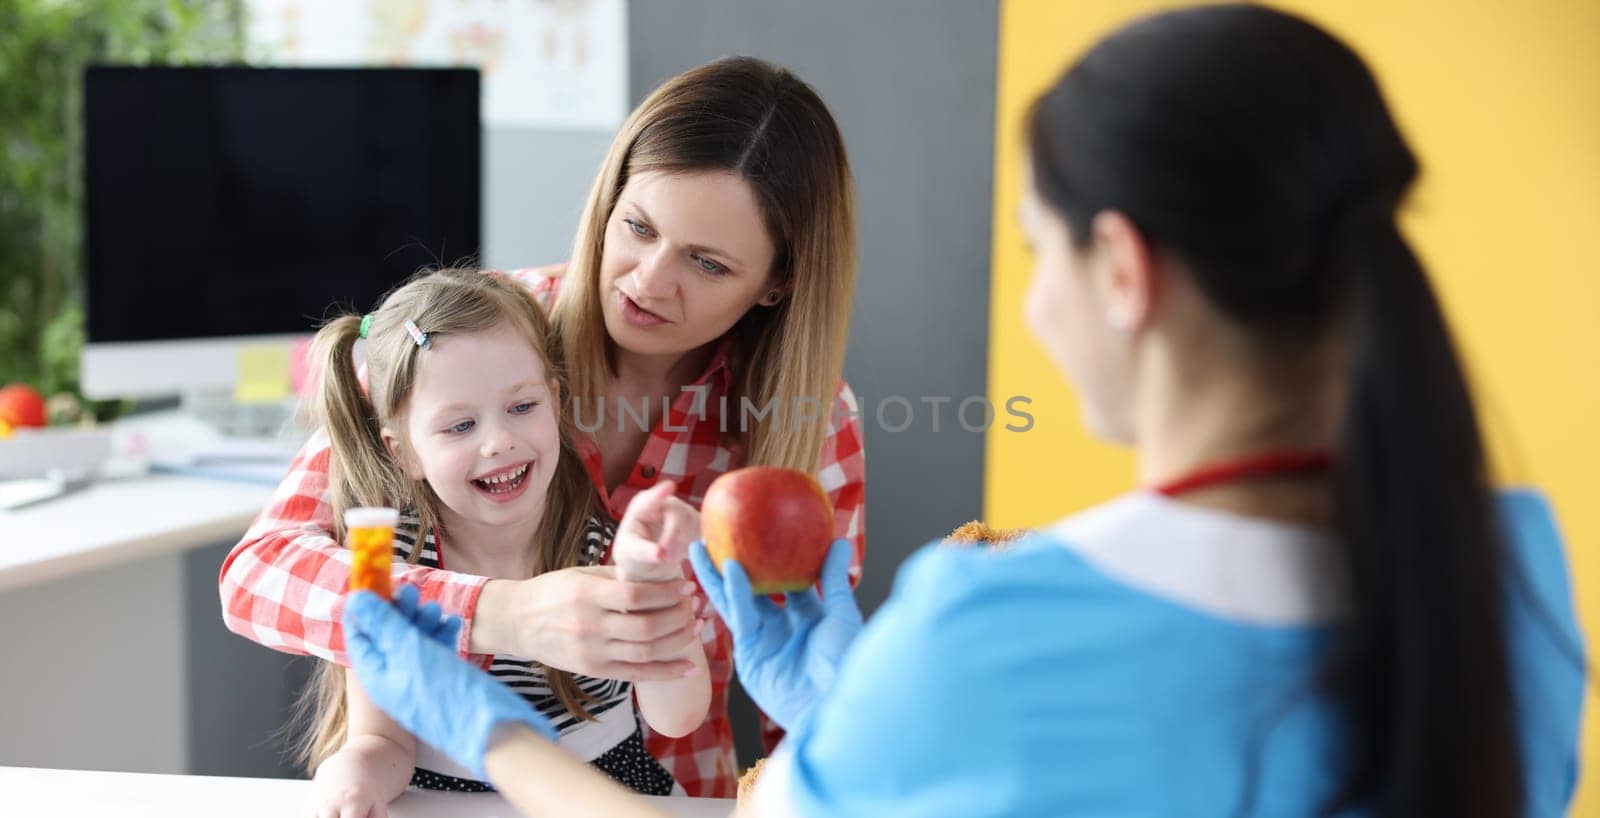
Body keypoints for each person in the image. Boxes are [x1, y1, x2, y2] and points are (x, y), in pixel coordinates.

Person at [330, 6, 1587, 817]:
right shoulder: (1508, 571)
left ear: (1124, 270)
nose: (1037, 306)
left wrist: (486, 726)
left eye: (1037, 252)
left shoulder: (996, 623)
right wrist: (838, 701)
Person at [219, 57, 868, 796]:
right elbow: (258, 575)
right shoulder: (461, 339)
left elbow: (807, 723)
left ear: (776, 284)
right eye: (639, 227)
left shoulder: (811, 423)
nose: (648, 281)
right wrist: (502, 614)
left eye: (708, 264)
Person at [291, 269, 709, 817]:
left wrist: (657, 603)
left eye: (521, 407)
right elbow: (383, 741)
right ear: (404, 452)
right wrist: (354, 771)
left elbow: (676, 718)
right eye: (460, 426)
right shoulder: (383, 561)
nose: (499, 441)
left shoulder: (601, 543)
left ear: (555, 403)